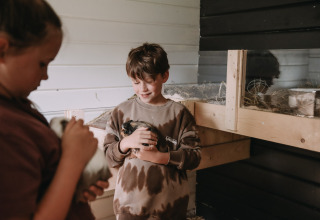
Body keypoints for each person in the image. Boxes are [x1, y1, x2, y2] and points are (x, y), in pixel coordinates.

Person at [0, 0, 109, 219]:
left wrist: (75, 184)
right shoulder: (5, 129)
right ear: (2, 49)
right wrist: (73, 159)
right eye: (42, 63)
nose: (46, 75)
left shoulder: (16, 105)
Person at [104, 43, 201, 219]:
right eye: (136, 82)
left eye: (149, 81)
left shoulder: (179, 114)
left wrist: (161, 157)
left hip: (171, 207)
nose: (142, 88)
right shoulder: (121, 112)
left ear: (164, 76)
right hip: (130, 207)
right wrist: (125, 143)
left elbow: (194, 157)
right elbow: (108, 156)